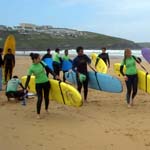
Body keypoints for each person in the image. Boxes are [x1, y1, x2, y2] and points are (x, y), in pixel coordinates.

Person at [24, 53, 59, 119]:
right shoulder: (31, 68)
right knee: (40, 98)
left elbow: (49, 69)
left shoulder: (42, 63)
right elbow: (28, 78)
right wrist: (25, 88)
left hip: (46, 82)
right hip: (38, 84)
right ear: (34, 59)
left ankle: (46, 109)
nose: (40, 59)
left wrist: (55, 75)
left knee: (46, 97)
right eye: (38, 58)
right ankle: (38, 113)